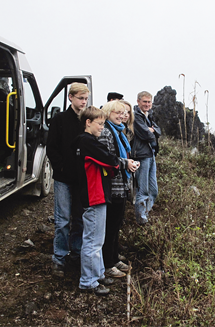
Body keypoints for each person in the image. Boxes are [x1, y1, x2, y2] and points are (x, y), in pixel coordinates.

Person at [73, 106, 119, 296]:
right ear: (88, 122)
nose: (102, 127)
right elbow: (110, 160)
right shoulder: (87, 142)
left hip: (96, 195)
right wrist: (114, 164)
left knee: (97, 239)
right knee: (92, 240)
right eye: (99, 124)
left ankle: (98, 273)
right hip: (94, 195)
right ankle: (88, 281)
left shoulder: (85, 141)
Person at [46, 82, 90, 277]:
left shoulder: (87, 121)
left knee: (80, 219)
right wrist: (61, 167)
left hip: (82, 178)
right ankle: (59, 258)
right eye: (81, 98)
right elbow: (51, 147)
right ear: (70, 97)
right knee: (62, 220)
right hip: (64, 178)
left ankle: (77, 254)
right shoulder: (60, 119)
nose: (83, 102)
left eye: (86, 99)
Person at [99, 101, 139, 278]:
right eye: (117, 113)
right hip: (111, 186)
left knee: (116, 224)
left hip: (120, 185)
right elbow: (107, 159)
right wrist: (126, 163)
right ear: (108, 113)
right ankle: (108, 264)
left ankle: (114, 258)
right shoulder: (106, 133)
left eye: (123, 113)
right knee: (110, 226)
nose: (121, 116)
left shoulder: (119, 131)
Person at [131, 91, 161, 225]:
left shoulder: (149, 115)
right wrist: (152, 131)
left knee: (153, 190)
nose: (147, 104)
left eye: (149, 102)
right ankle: (141, 220)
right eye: (144, 102)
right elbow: (146, 135)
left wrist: (153, 130)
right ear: (138, 102)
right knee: (143, 190)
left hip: (150, 154)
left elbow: (159, 130)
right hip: (141, 155)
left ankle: (145, 215)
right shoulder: (136, 116)